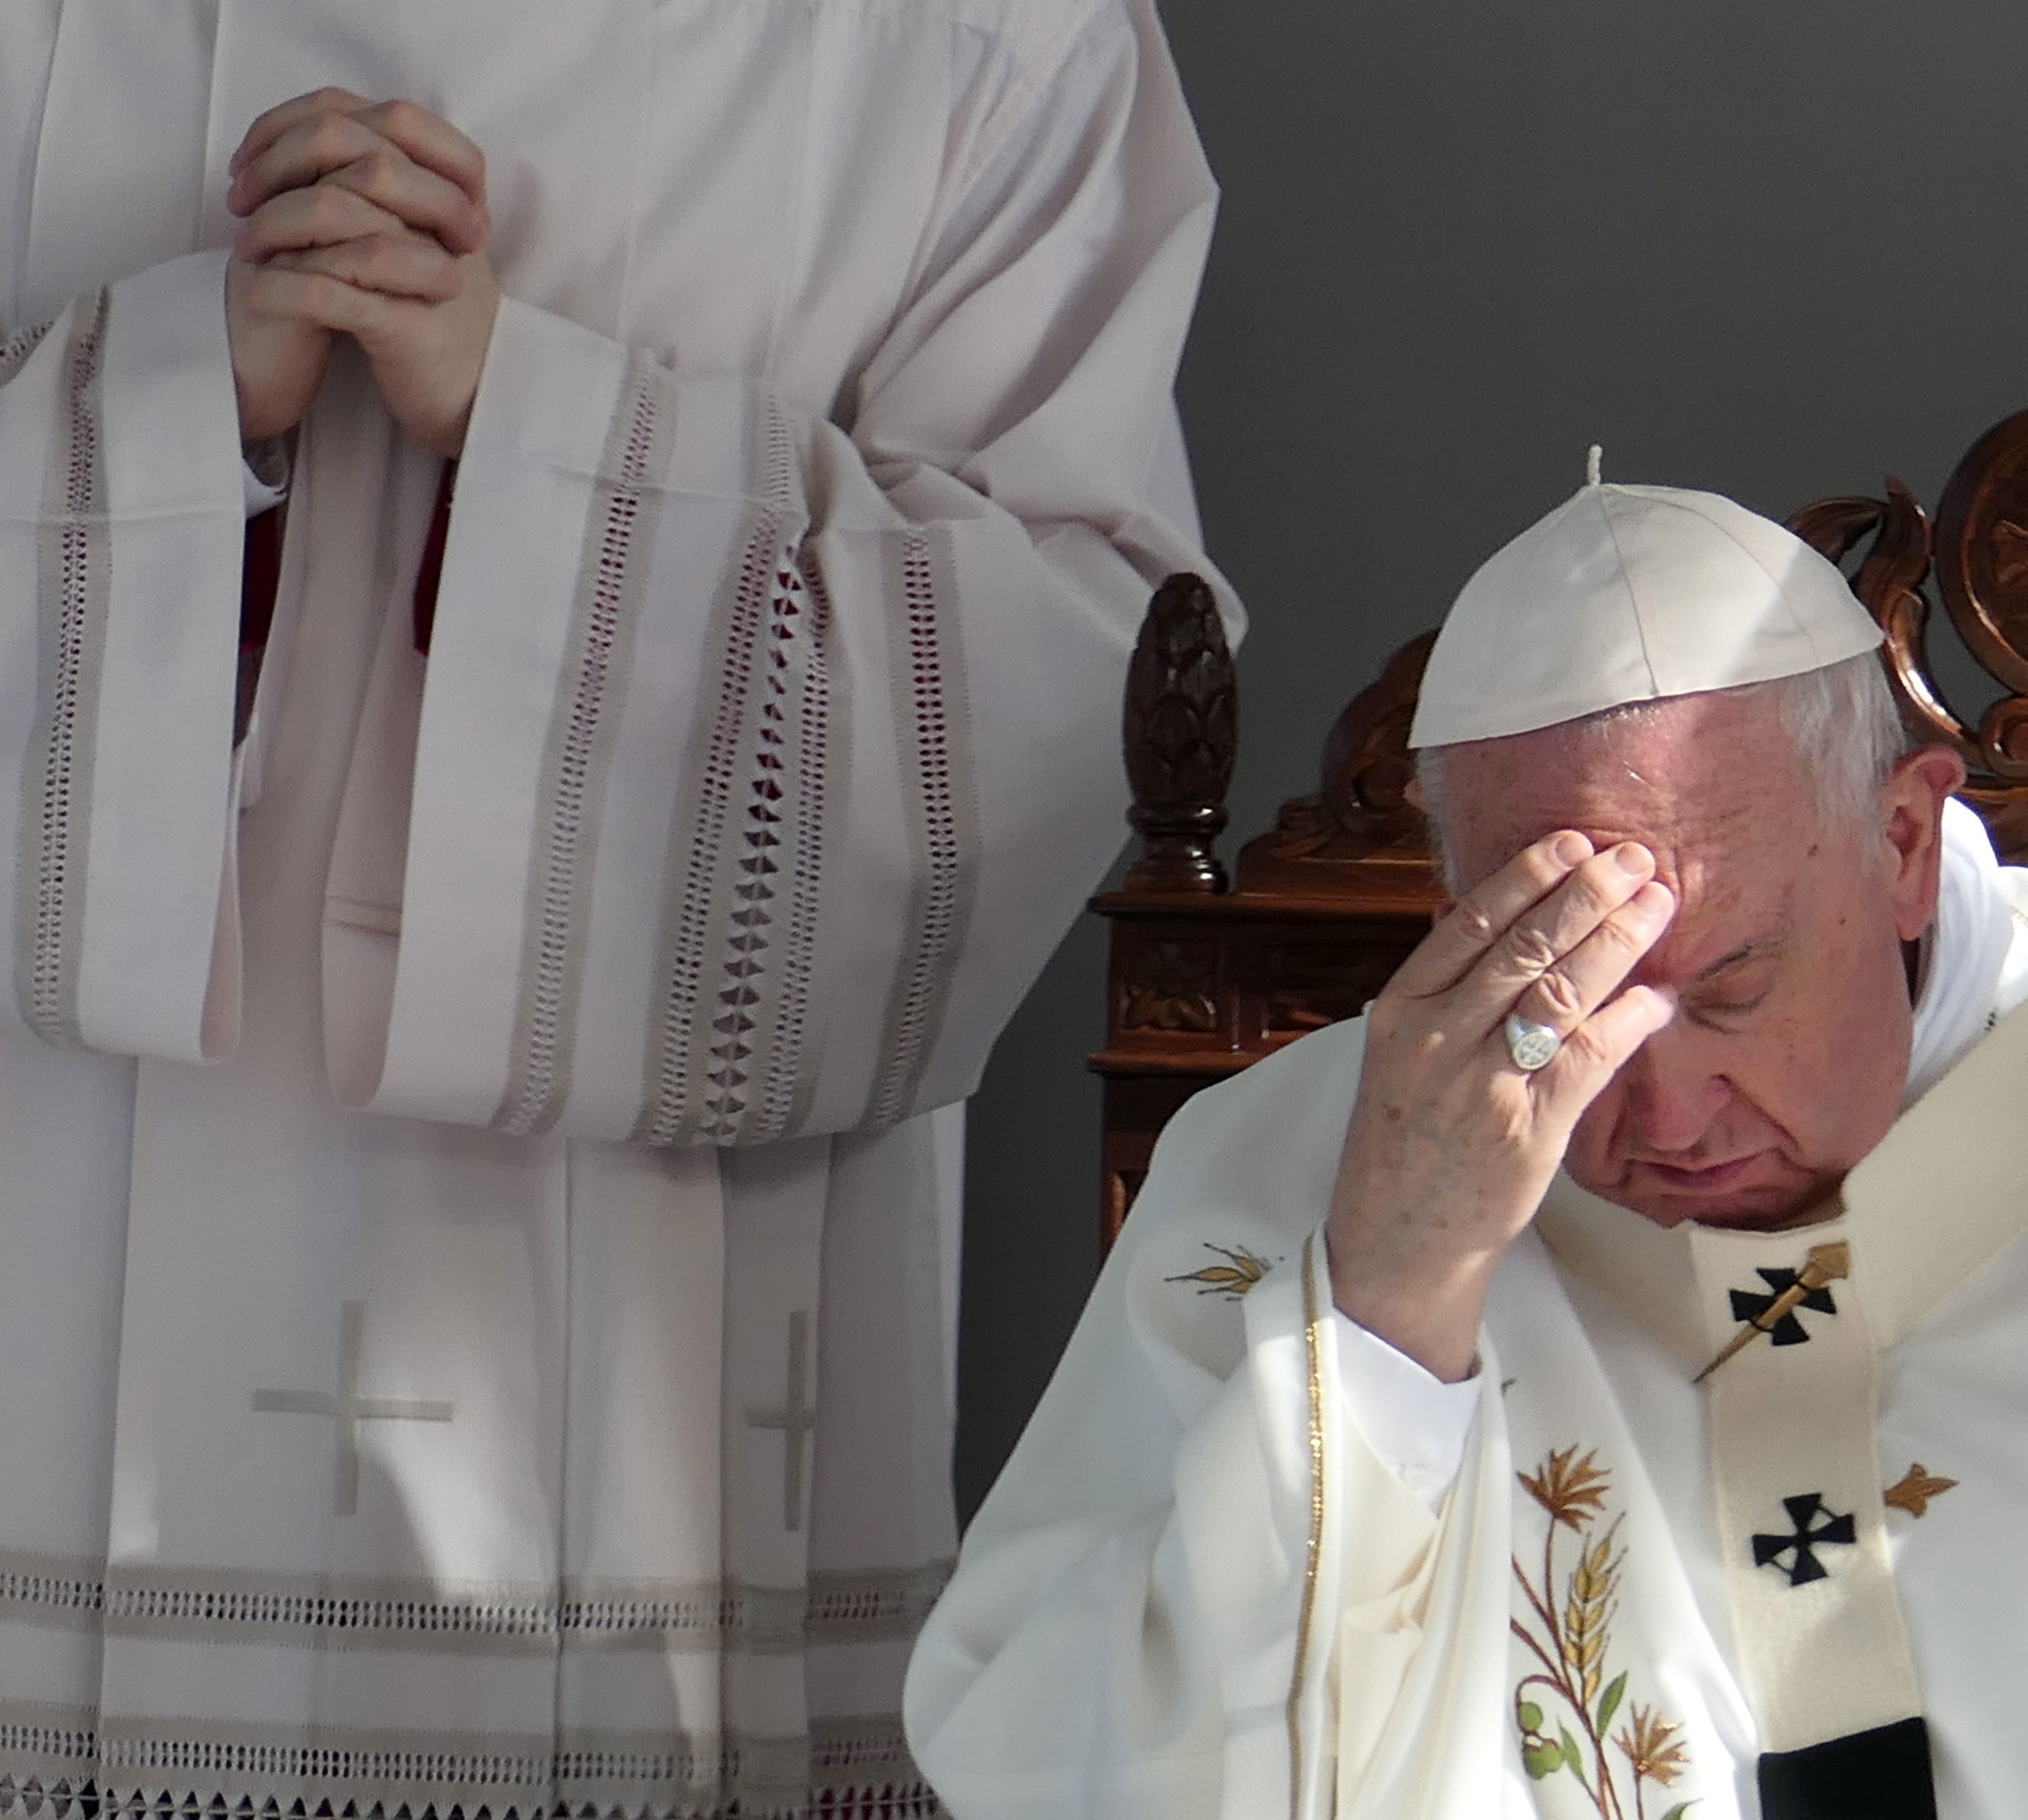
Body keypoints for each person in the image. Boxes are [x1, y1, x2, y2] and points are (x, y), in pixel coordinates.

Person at [906, 467, 2028, 1818]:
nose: (1661, 1114)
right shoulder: (1297, 1171)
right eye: (1565, 1000)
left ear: (1903, 841)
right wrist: (1390, 1309)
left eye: (1732, 984)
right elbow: (1074, 1759)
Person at [0, 4, 1228, 1816]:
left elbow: (1088, 684)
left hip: (632, 1347)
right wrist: (162, 408)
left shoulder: (984, 40)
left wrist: (541, 445)